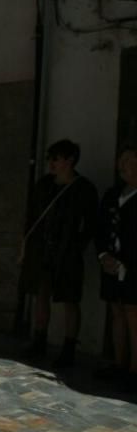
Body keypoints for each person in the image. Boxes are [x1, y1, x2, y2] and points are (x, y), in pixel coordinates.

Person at [20, 139, 99, 367]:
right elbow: (32, 216)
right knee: (41, 294)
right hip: (43, 250)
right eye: (50, 158)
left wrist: (76, 247)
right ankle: (39, 340)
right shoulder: (45, 185)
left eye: (56, 158)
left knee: (69, 300)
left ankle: (69, 348)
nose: (51, 163)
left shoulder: (83, 189)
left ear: (69, 160)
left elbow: (91, 224)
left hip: (67, 253)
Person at [95, 146, 137, 390]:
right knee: (116, 312)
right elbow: (100, 228)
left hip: (132, 267)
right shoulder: (113, 195)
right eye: (122, 161)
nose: (123, 166)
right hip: (111, 265)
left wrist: (126, 263)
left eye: (129, 161)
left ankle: (134, 368)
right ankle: (119, 363)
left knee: (133, 313)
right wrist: (103, 255)